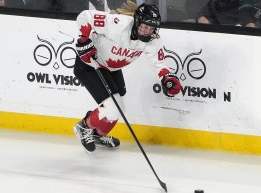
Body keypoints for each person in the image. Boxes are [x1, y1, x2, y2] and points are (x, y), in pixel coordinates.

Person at [73, 1, 182, 152]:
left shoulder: (153, 40)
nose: (147, 31)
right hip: (90, 64)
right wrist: (83, 39)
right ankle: (83, 126)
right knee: (112, 108)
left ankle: (98, 134)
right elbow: (85, 16)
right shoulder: (118, 24)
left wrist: (167, 78)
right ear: (137, 22)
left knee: (120, 107)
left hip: (110, 67)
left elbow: (159, 64)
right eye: (144, 26)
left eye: (151, 28)